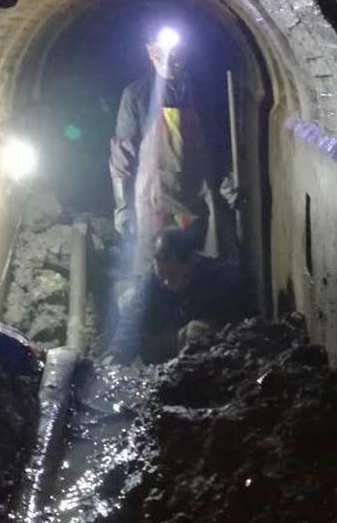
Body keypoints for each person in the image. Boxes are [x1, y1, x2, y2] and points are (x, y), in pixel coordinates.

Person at [109, 25, 235, 273]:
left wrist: (228, 181)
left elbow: (221, 142)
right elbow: (122, 155)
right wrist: (123, 206)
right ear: (149, 53)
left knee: (202, 262)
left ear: (184, 53)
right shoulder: (136, 95)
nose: (169, 60)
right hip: (153, 196)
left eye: (175, 53)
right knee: (154, 265)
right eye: (160, 52)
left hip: (198, 193)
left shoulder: (203, 93)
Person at [103, 228, 256, 365]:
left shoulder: (225, 280)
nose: (167, 283)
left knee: (195, 331)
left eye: (173, 275)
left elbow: (244, 326)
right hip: (169, 344)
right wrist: (116, 353)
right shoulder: (154, 278)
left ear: (192, 261)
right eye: (162, 276)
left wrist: (211, 329)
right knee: (128, 299)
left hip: (212, 355)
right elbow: (134, 315)